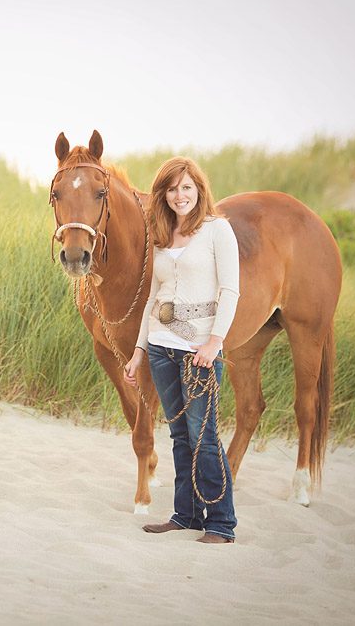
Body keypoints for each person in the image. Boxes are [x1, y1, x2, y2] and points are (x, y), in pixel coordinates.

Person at [123, 156, 240, 544]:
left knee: (203, 436)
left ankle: (222, 523)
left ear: (199, 189)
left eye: (186, 187)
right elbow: (154, 298)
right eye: (172, 188)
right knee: (178, 436)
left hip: (198, 351)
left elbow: (230, 291)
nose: (179, 195)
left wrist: (214, 342)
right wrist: (139, 350)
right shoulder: (162, 234)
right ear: (164, 194)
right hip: (160, 348)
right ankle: (185, 515)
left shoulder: (217, 230)